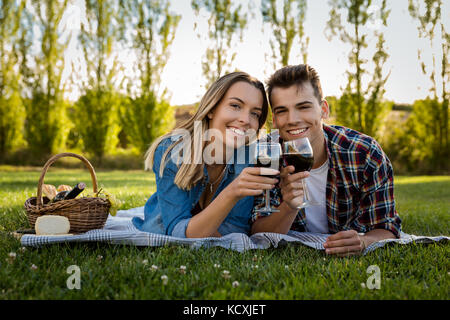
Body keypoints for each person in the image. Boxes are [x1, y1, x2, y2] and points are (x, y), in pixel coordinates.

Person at [251, 64, 402, 256]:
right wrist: (288, 206)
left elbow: (387, 227)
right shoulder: (265, 155)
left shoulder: (364, 154)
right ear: (274, 118)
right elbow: (258, 233)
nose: (292, 119)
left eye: (303, 107)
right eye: (282, 111)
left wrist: (364, 241)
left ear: (323, 110)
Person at [132, 72, 279, 238]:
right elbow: (177, 232)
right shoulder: (172, 151)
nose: (245, 119)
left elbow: (236, 229)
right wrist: (232, 192)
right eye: (235, 106)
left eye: (255, 113)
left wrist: (199, 228)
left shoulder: (250, 158)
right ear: (211, 110)